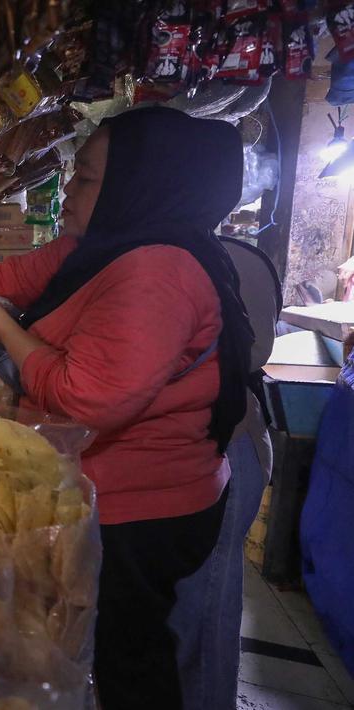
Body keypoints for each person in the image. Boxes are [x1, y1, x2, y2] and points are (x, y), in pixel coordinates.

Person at [0, 106, 254, 710]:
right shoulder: (99, 249)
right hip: (102, 492)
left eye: (89, 176)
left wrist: (6, 333)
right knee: (96, 645)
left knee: (129, 657)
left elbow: (90, 395)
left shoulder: (159, 270)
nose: (69, 186)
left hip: (141, 509)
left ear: (139, 183)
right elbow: (6, 274)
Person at [168, 236, 280, 710]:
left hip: (223, 448)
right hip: (195, 451)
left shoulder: (228, 259)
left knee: (204, 607)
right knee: (182, 607)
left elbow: (249, 354)